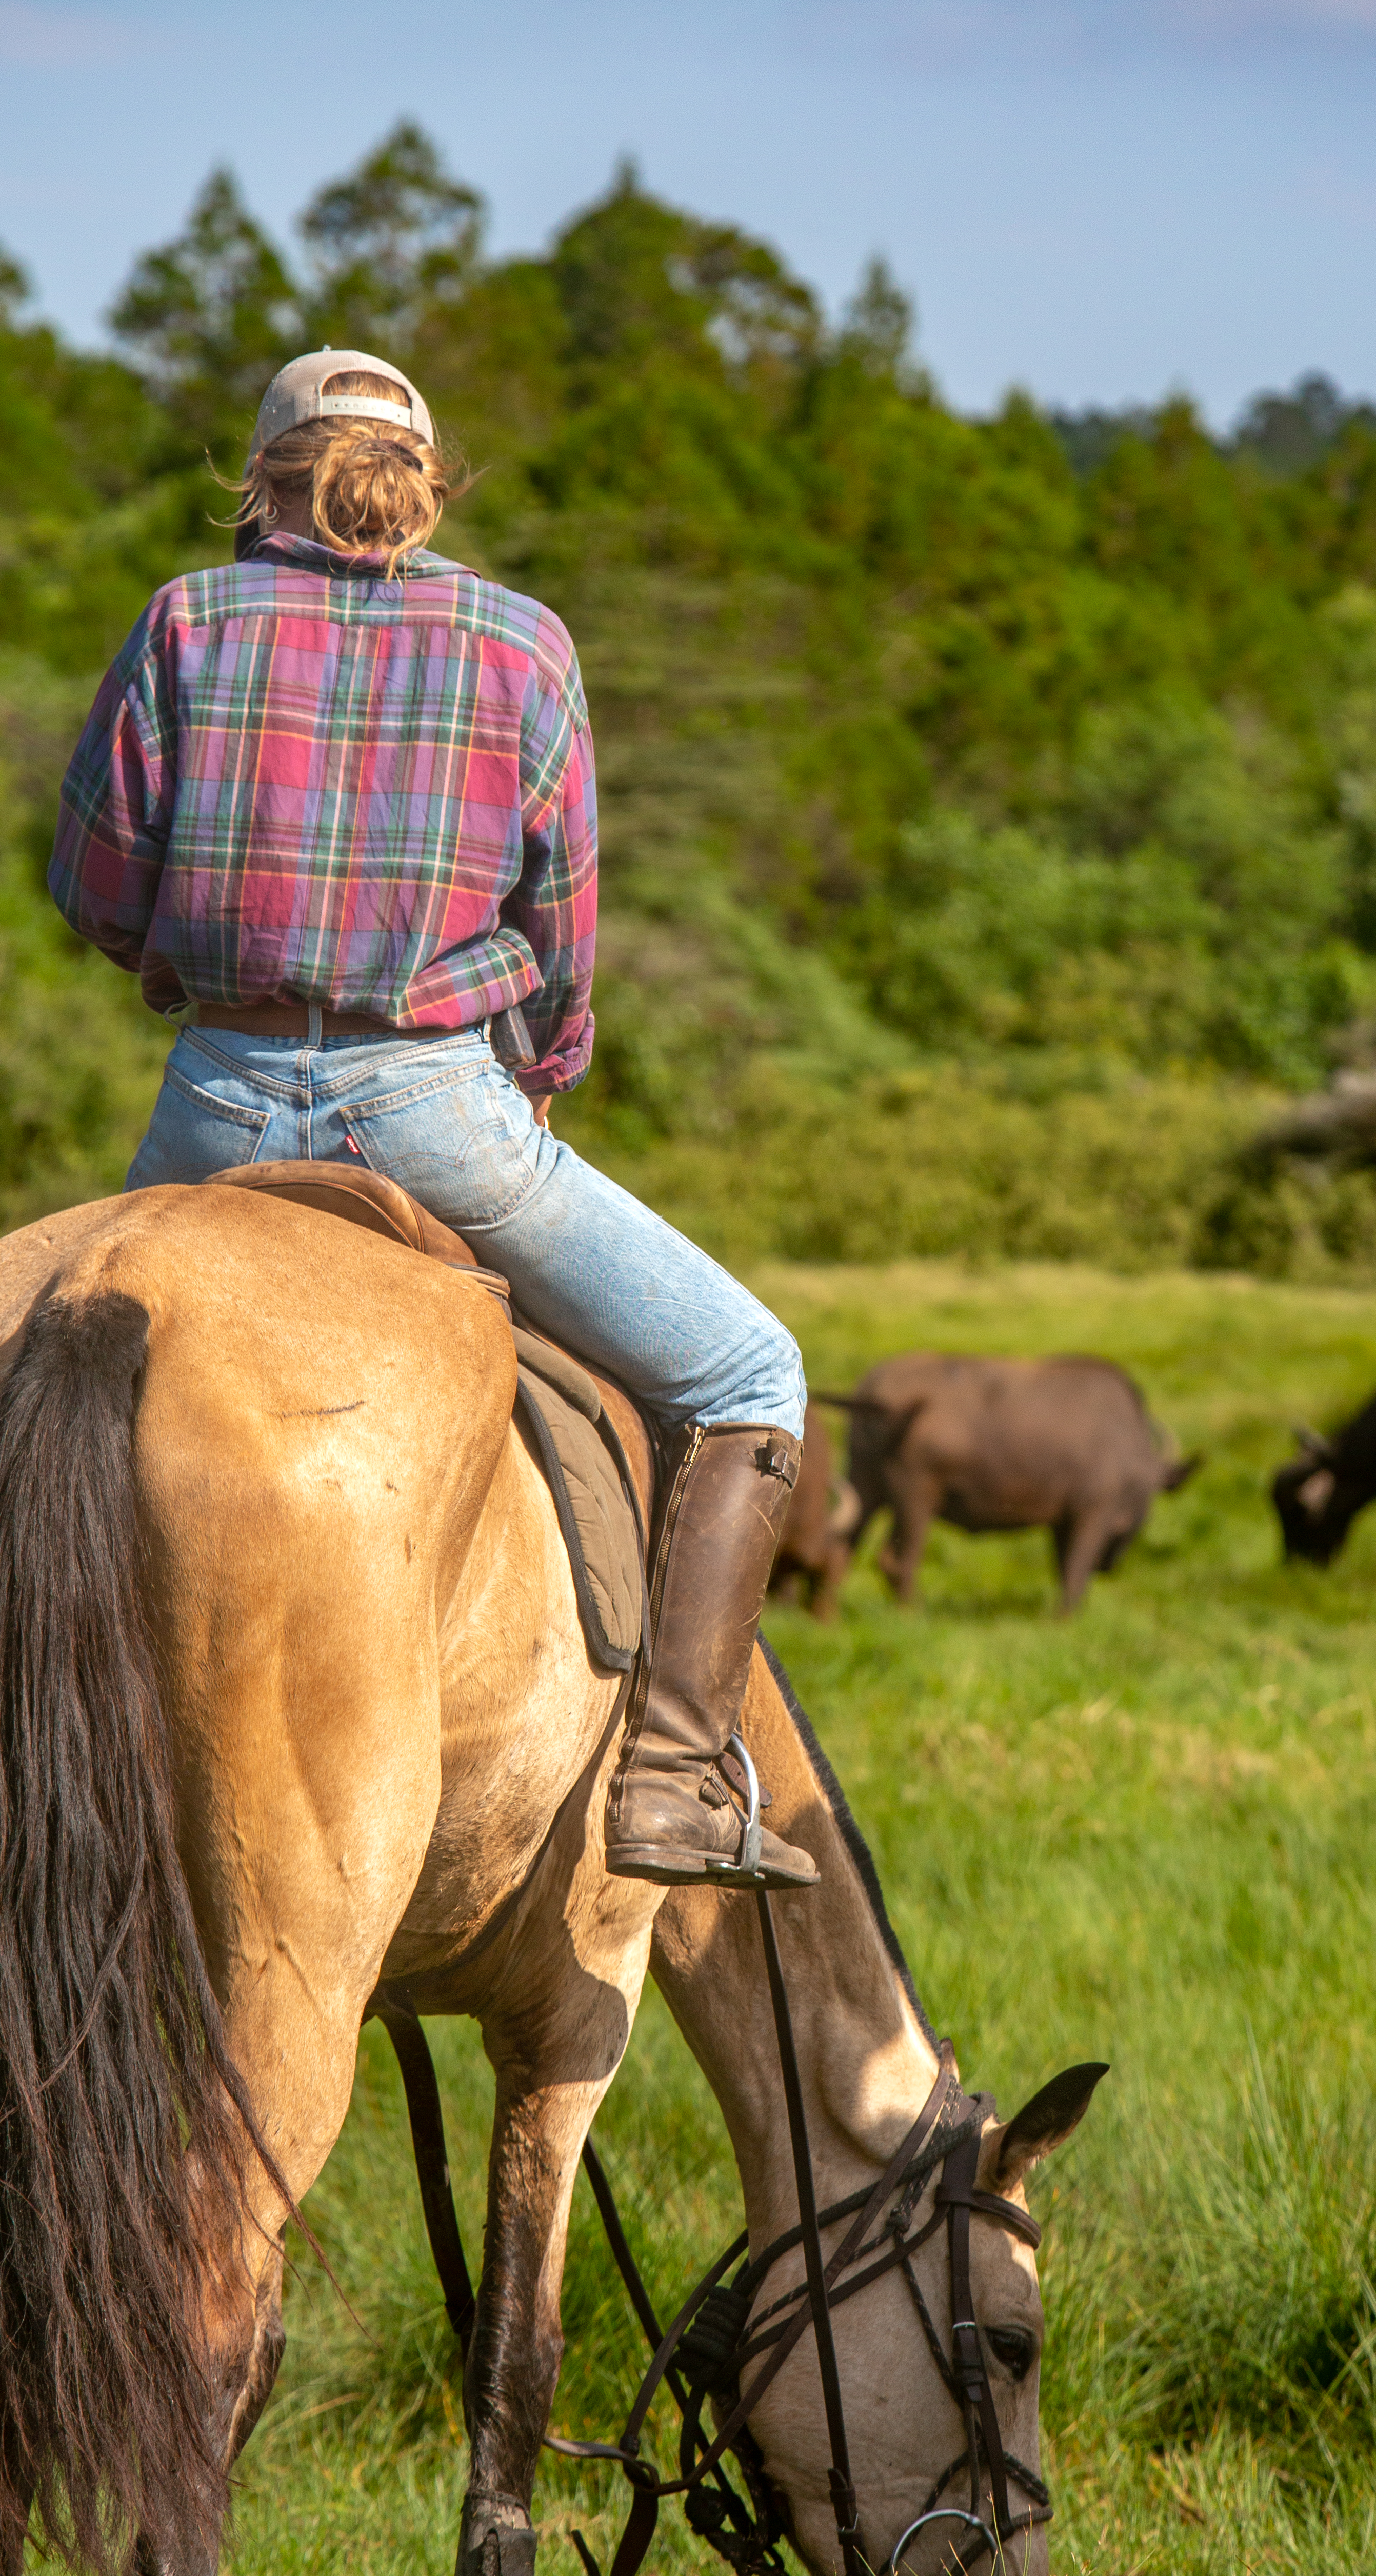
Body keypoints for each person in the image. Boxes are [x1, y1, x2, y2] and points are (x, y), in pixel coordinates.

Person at [48, 347, 816, 1891]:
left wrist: (172, 968)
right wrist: (545, 1059)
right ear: (426, 484)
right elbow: (565, 920)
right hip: (434, 1106)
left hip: (215, 1098)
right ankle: (672, 1779)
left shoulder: (184, 620)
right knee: (749, 1370)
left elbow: (95, 879)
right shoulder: (523, 643)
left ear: (257, 481)